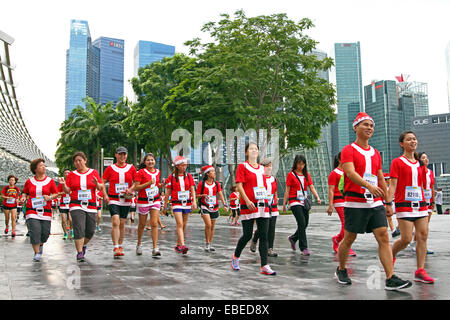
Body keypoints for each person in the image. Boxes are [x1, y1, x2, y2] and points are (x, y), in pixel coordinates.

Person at [334, 112, 411, 290]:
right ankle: (341, 268)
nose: (369, 128)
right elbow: (350, 173)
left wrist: (387, 202)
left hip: (375, 202)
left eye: (371, 125)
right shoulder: (348, 150)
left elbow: (380, 178)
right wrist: (368, 186)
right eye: (365, 124)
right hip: (355, 202)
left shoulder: (376, 153)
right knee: (349, 238)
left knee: (383, 237)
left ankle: (390, 277)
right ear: (355, 127)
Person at [388, 131, 434, 284]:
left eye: (414, 139)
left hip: (420, 205)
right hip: (404, 205)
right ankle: (390, 256)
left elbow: (421, 185)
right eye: (408, 139)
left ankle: (420, 270)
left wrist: (428, 203)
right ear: (402, 144)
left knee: (422, 236)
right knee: (406, 239)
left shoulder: (420, 164)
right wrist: (388, 203)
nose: (413, 141)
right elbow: (393, 185)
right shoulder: (397, 162)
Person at [231, 142, 276, 276]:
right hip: (248, 204)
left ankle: (264, 265)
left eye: (256, 149)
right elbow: (239, 185)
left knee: (264, 235)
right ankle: (236, 257)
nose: (254, 150)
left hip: (263, 205)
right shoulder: (242, 166)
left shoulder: (263, 169)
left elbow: (266, 184)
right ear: (246, 152)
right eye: (251, 148)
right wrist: (247, 200)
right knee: (247, 235)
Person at [59, 151, 105, 262]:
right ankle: (79, 252)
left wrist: (97, 184)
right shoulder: (72, 175)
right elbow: (68, 191)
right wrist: (63, 184)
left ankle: (83, 245)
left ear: (85, 160)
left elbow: (100, 187)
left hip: (91, 205)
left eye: (80, 160)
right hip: (76, 204)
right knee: (79, 227)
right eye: (76, 161)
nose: (78, 163)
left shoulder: (93, 172)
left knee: (90, 230)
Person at [20, 159, 58, 262]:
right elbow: (25, 192)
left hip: (45, 211)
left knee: (45, 233)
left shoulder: (50, 181)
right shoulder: (29, 181)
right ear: (35, 169)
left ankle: (41, 244)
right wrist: (23, 197)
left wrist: (49, 197)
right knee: (35, 231)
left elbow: (56, 193)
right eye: (41, 166)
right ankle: (37, 253)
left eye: (44, 166)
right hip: (32, 211)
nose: (44, 167)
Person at [102, 146, 137, 259]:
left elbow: (137, 182)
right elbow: (103, 182)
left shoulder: (131, 168)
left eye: (124, 154)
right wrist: (105, 195)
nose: (122, 156)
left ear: (126, 155)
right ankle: (115, 246)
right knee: (115, 221)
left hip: (126, 199)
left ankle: (120, 245)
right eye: (120, 154)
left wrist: (131, 189)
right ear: (116, 155)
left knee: (122, 223)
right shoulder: (110, 168)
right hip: (113, 199)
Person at [283, 154, 321, 256]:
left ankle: (293, 238)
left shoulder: (306, 174)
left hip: (303, 201)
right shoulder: (291, 174)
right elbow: (287, 190)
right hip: (294, 201)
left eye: (303, 164)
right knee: (301, 222)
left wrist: (317, 197)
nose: (301, 166)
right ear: (295, 163)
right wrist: (284, 204)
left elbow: (311, 187)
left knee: (305, 223)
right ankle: (304, 248)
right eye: (299, 164)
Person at [163, 155, 197, 254]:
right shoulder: (172, 177)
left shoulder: (189, 176)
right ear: (177, 166)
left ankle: (178, 245)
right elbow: (168, 192)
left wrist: (194, 201)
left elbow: (192, 189)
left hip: (187, 203)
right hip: (176, 203)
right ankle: (183, 245)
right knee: (180, 224)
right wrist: (165, 206)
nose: (184, 167)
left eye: (185, 165)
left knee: (184, 225)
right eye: (182, 165)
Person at [133, 153, 165, 257]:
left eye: (152, 160)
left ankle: (155, 248)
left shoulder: (157, 172)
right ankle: (139, 244)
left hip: (155, 200)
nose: (150, 162)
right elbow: (137, 187)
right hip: (143, 201)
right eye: (148, 160)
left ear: (155, 161)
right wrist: (148, 183)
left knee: (154, 223)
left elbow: (156, 184)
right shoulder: (141, 172)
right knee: (142, 225)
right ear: (145, 162)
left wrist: (161, 185)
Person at [327, 153, 356, 256]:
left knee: (350, 224)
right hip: (339, 201)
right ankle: (346, 246)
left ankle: (337, 239)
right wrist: (330, 205)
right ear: (340, 160)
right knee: (346, 224)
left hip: (348, 200)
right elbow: (331, 190)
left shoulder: (348, 172)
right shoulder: (334, 173)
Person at [250, 158, 279, 257]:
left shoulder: (273, 179)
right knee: (263, 228)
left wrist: (275, 198)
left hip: (273, 207)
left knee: (272, 228)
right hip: (262, 207)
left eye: (270, 166)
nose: (269, 168)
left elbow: (275, 191)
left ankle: (269, 249)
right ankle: (255, 239)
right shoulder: (259, 178)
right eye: (266, 166)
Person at [197, 165, 228, 252]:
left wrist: (225, 204)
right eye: (212, 171)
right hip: (204, 206)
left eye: (214, 171)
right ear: (207, 174)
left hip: (214, 206)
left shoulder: (217, 184)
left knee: (212, 226)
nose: (214, 173)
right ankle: (207, 243)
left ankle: (210, 243)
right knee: (208, 224)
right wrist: (202, 195)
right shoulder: (201, 184)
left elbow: (220, 194)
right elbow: (197, 195)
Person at [417, 152, 435, 255]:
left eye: (427, 157)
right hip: (421, 200)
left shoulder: (430, 172)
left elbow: (432, 186)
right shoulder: (418, 170)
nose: (426, 159)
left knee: (426, 225)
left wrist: (433, 200)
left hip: (429, 201)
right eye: (423, 158)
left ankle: (420, 244)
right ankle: (419, 244)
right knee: (423, 226)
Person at [57, 169, 73, 240]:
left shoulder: (73, 182)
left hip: (71, 204)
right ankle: (65, 233)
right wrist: (64, 192)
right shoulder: (61, 183)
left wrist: (70, 192)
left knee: (70, 219)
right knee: (63, 220)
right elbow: (57, 193)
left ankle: (71, 230)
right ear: (63, 175)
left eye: (68, 173)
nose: (67, 174)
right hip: (63, 204)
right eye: (65, 173)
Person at [384, 173, 400, 238]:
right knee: (389, 218)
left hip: (390, 203)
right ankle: (393, 230)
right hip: (384, 204)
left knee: (391, 218)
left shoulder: (390, 187)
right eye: (388, 179)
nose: (390, 180)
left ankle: (395, 229)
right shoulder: (384, 187)